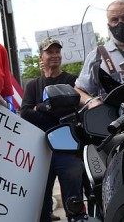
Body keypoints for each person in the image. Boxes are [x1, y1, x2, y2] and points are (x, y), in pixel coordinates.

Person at [21, 38, 85, 222]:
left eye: (58, 51)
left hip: (69, 150)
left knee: (75, 204)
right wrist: (56, 111)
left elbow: (75, 112)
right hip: (42, 151)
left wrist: (40, 107)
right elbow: (25, 113)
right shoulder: (33, 85)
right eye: (50, 52)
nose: (55, 55)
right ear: (41, 56)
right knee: (41, 205)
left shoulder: (72, 81)